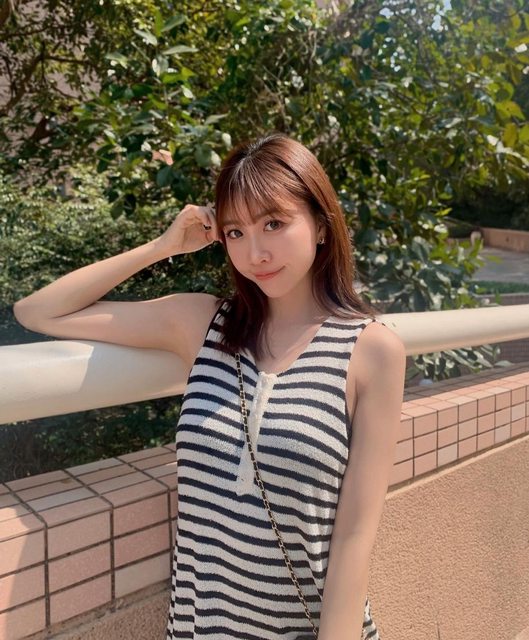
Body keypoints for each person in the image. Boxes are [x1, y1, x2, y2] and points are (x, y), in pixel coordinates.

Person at [13, 132, 406, 640]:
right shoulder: (204, 324)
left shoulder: (372, 351)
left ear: (322, 225)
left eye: (274, 223)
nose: (256, 252)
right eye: (236, 232)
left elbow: (354, 539)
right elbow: (38, 311)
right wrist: (162, 247)